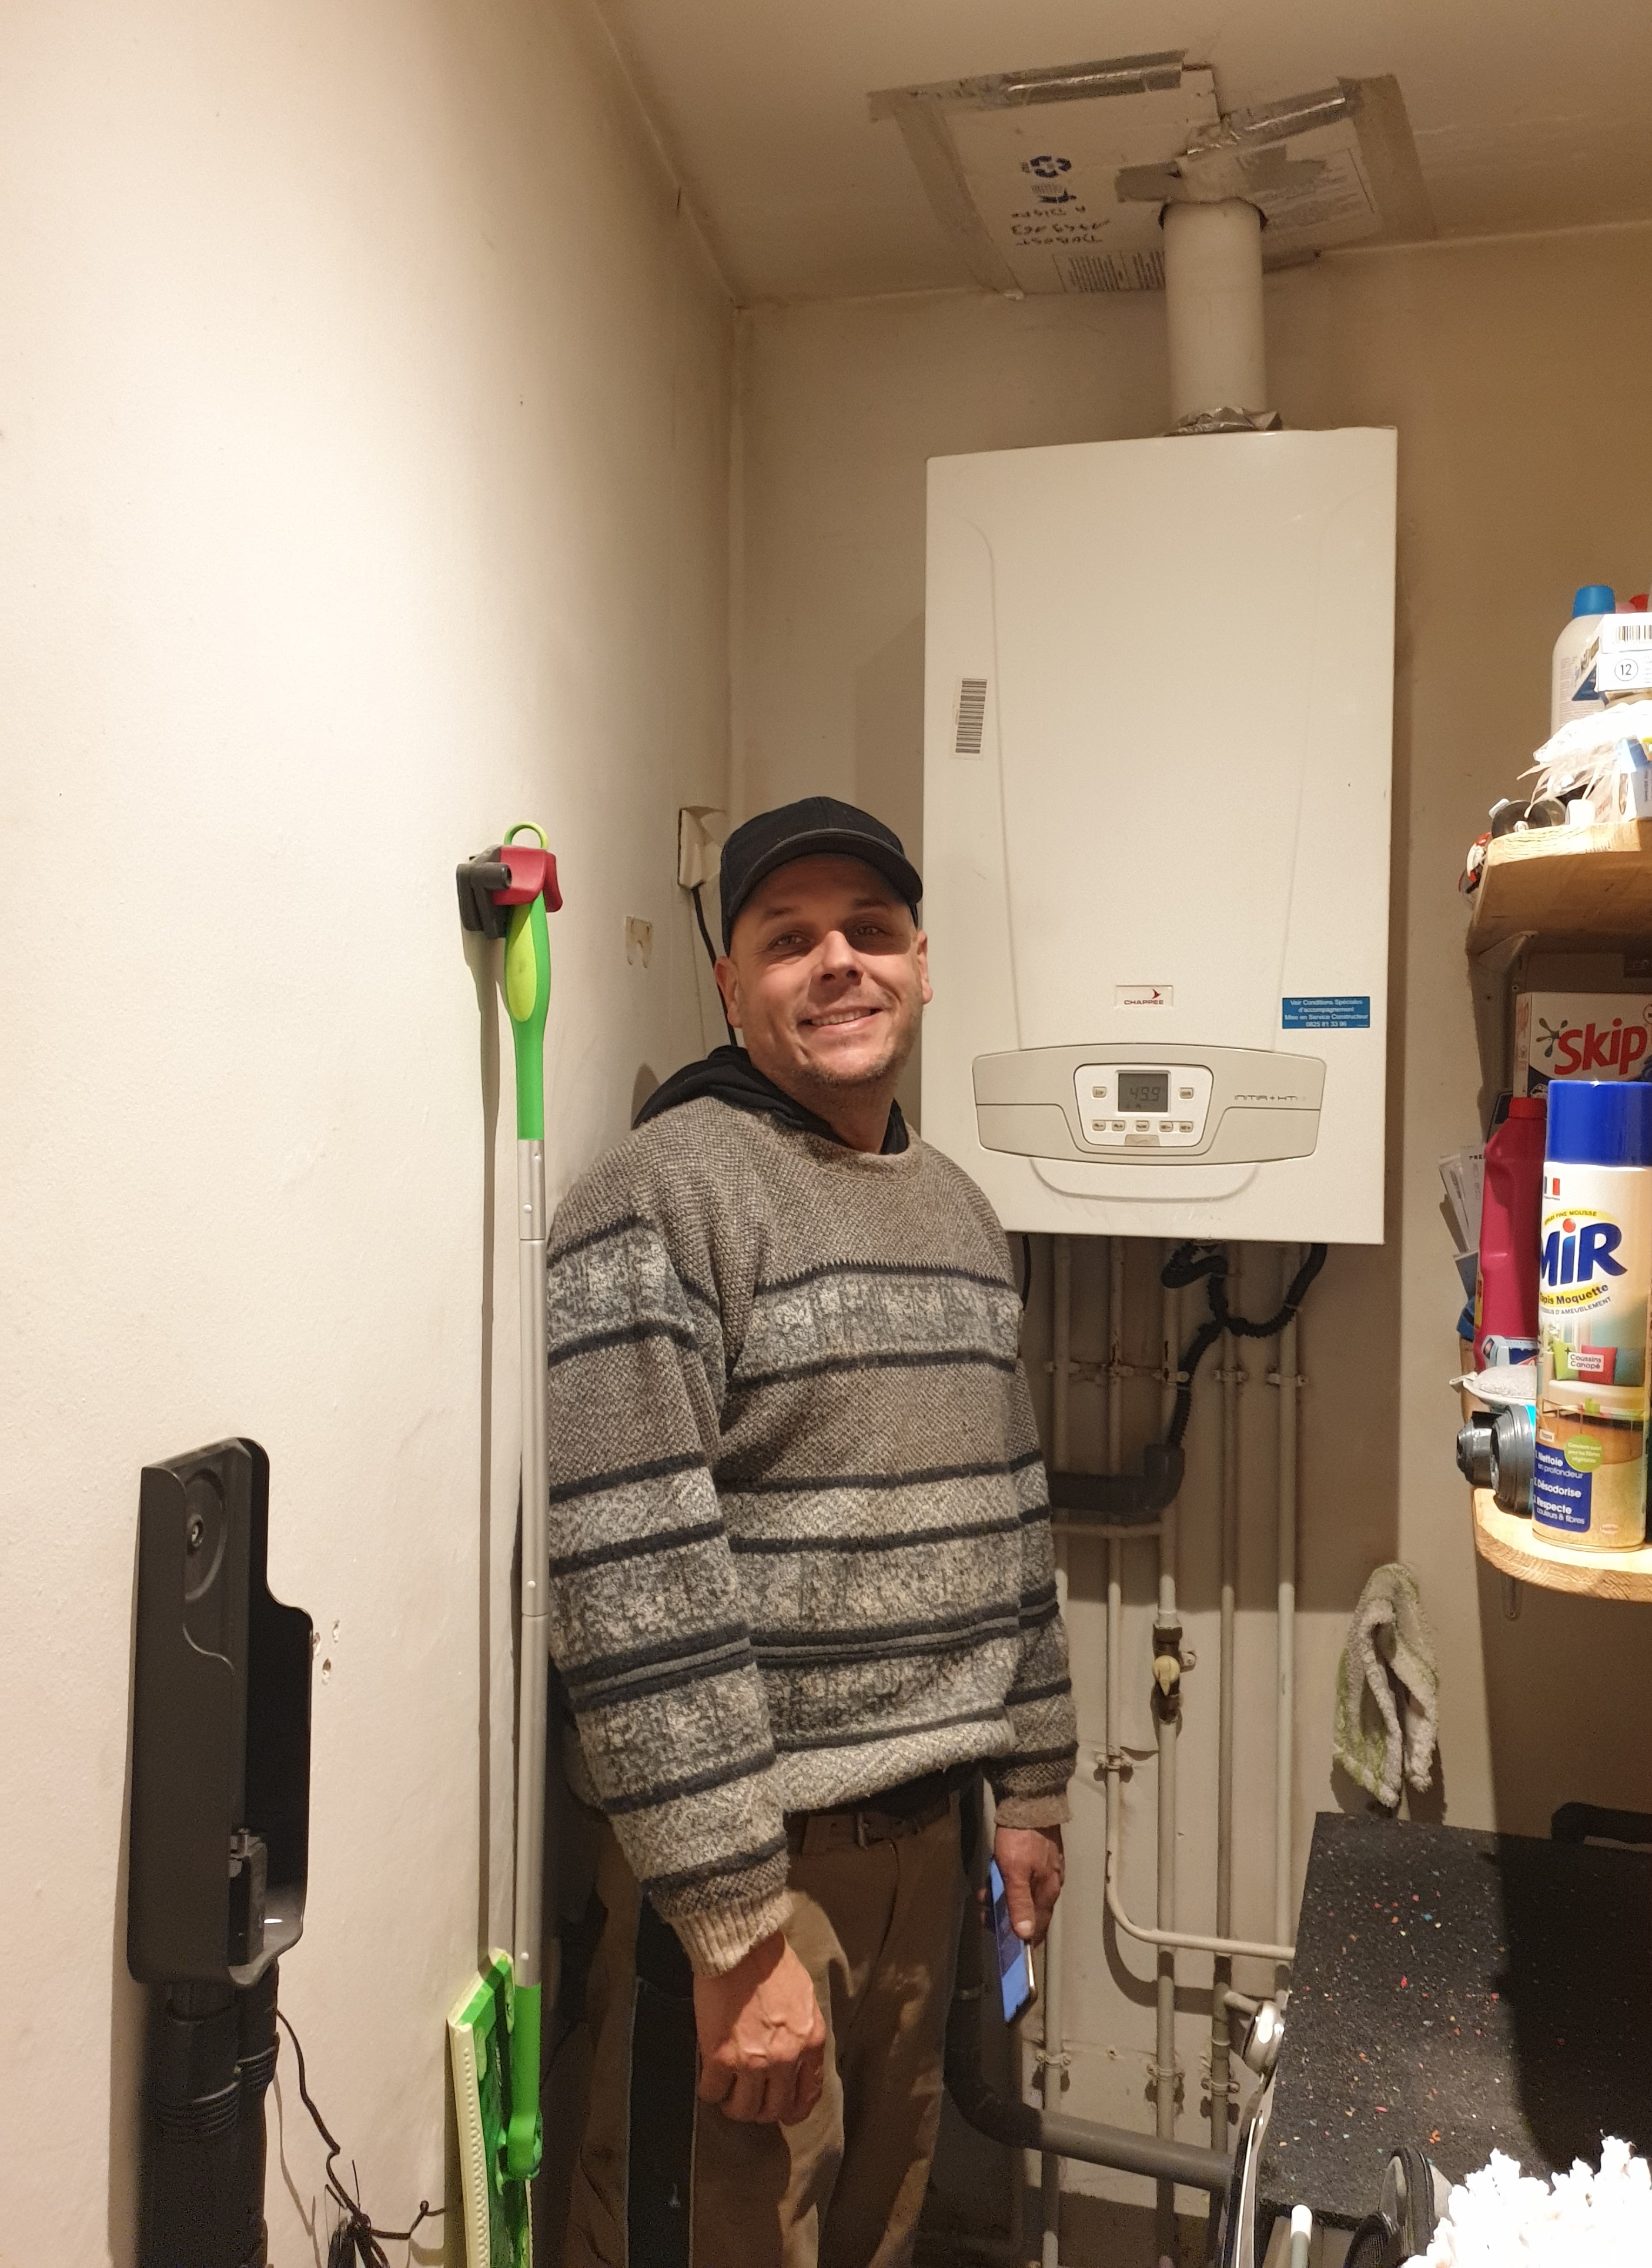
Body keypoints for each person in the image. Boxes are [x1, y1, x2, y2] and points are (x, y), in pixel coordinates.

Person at [549, 795, 1076, 2268]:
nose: (840, 962)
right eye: (791, 941)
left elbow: (1012, 1507)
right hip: (761, 1871)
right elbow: (631, 1576)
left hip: (933, 1847)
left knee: (875, 2236)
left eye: (872, 930)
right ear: (733, 987)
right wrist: (732, 1928)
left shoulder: (961, 1211)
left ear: (922, 963)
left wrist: (1031, 1785)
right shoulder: (663, 1198)